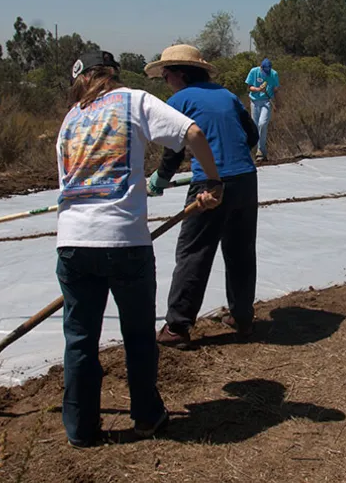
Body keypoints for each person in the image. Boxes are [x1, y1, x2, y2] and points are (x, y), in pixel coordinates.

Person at [55, 50, 223, 448]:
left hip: (73, 243)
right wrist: (212, 181)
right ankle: (147, 417)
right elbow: (193, 134)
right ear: (112, 75)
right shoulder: (134, 100)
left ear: (81, 79)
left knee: (79, 340)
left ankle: (81, 429)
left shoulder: (69, 120)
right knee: (137, 336)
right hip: (123, 241)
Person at [144, 44, 260, 349]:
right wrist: (229, 156)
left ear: (180, 74)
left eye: (166, 75)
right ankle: (243, 318)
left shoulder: (180, 99)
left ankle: (177, 328)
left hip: (210, 184)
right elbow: (252, 136)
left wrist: (160, 178)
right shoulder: (227, 95)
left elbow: (175, 146)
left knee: (194, 252)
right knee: (240, 251)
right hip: (246, 179)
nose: (165, 80)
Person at [245, 57, 279, 161]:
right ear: (261, 67)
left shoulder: (274, 74)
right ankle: (256, 152)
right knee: (255, 126)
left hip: (267, 101)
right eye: (264, 70)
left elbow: (276, 89)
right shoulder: (254, 71)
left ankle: (261, 150)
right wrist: (258, 89)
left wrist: (277, 103)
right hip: (255, 102)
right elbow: (249, 87)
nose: (266, 72)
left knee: (262, 124)